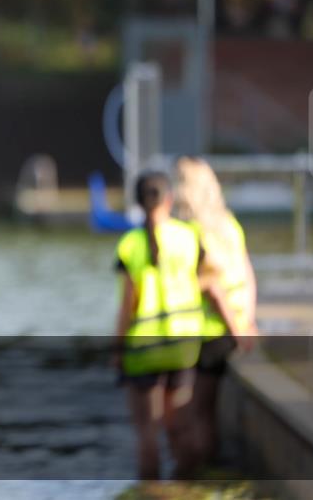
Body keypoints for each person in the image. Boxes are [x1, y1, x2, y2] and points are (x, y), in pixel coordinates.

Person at [114, 171, 205, 480]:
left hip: (143, 349)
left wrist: (117, 349)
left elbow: (128, 305)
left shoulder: (130, 244)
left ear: (138, 203)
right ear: (169, 199)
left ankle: (151, 492)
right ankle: (185, 488)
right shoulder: (189, 235)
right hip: (183, 346)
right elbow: (207, 277)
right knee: (182, 426)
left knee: (148, 434)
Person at [175, 156, 258, 468]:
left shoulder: (191, 233)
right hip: (235, 325)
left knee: (198, 413)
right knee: (205, 412)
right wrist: (247, 320)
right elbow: (247, 273)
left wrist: (235, 329)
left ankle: (200, 475)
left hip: (211, 333)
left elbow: (211, 288)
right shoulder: (229, 224)